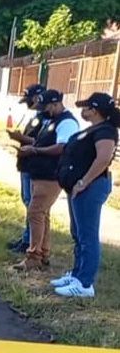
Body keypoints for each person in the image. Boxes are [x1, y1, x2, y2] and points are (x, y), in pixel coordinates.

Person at [51, 92, 120, 298]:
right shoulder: (93, 129)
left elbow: (103, 158)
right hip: (79, 186)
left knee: (88, 235)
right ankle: (77, 273)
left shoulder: (106, 131)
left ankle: (84, 283)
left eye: (87, 107)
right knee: (78, 233)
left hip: (91, 187)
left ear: (95, 110)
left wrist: (83, 182)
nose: (83, 110)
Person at [13, 89, 79, 271]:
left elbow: (61, 147)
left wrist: (34, 151)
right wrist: (25, 143)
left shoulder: (66, 123)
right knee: (42, 214)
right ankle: (43, 253)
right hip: (39, 173)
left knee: (35, 212)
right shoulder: (51, 119)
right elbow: (41, 142)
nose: (44, 111)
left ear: (56, 103)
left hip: (51, 175)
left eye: (47, 107)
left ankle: (33, 256)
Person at [5, 83, 48, 253]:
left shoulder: (46, 118)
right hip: (26, 164)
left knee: (33, 206)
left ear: (38, 96)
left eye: (29, 100)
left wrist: (19, 137)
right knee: (27, 202)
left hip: (35, 166)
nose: (28, 104)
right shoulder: (36, 115)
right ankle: (26, 238)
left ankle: (30, 243)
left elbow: (42, 142)